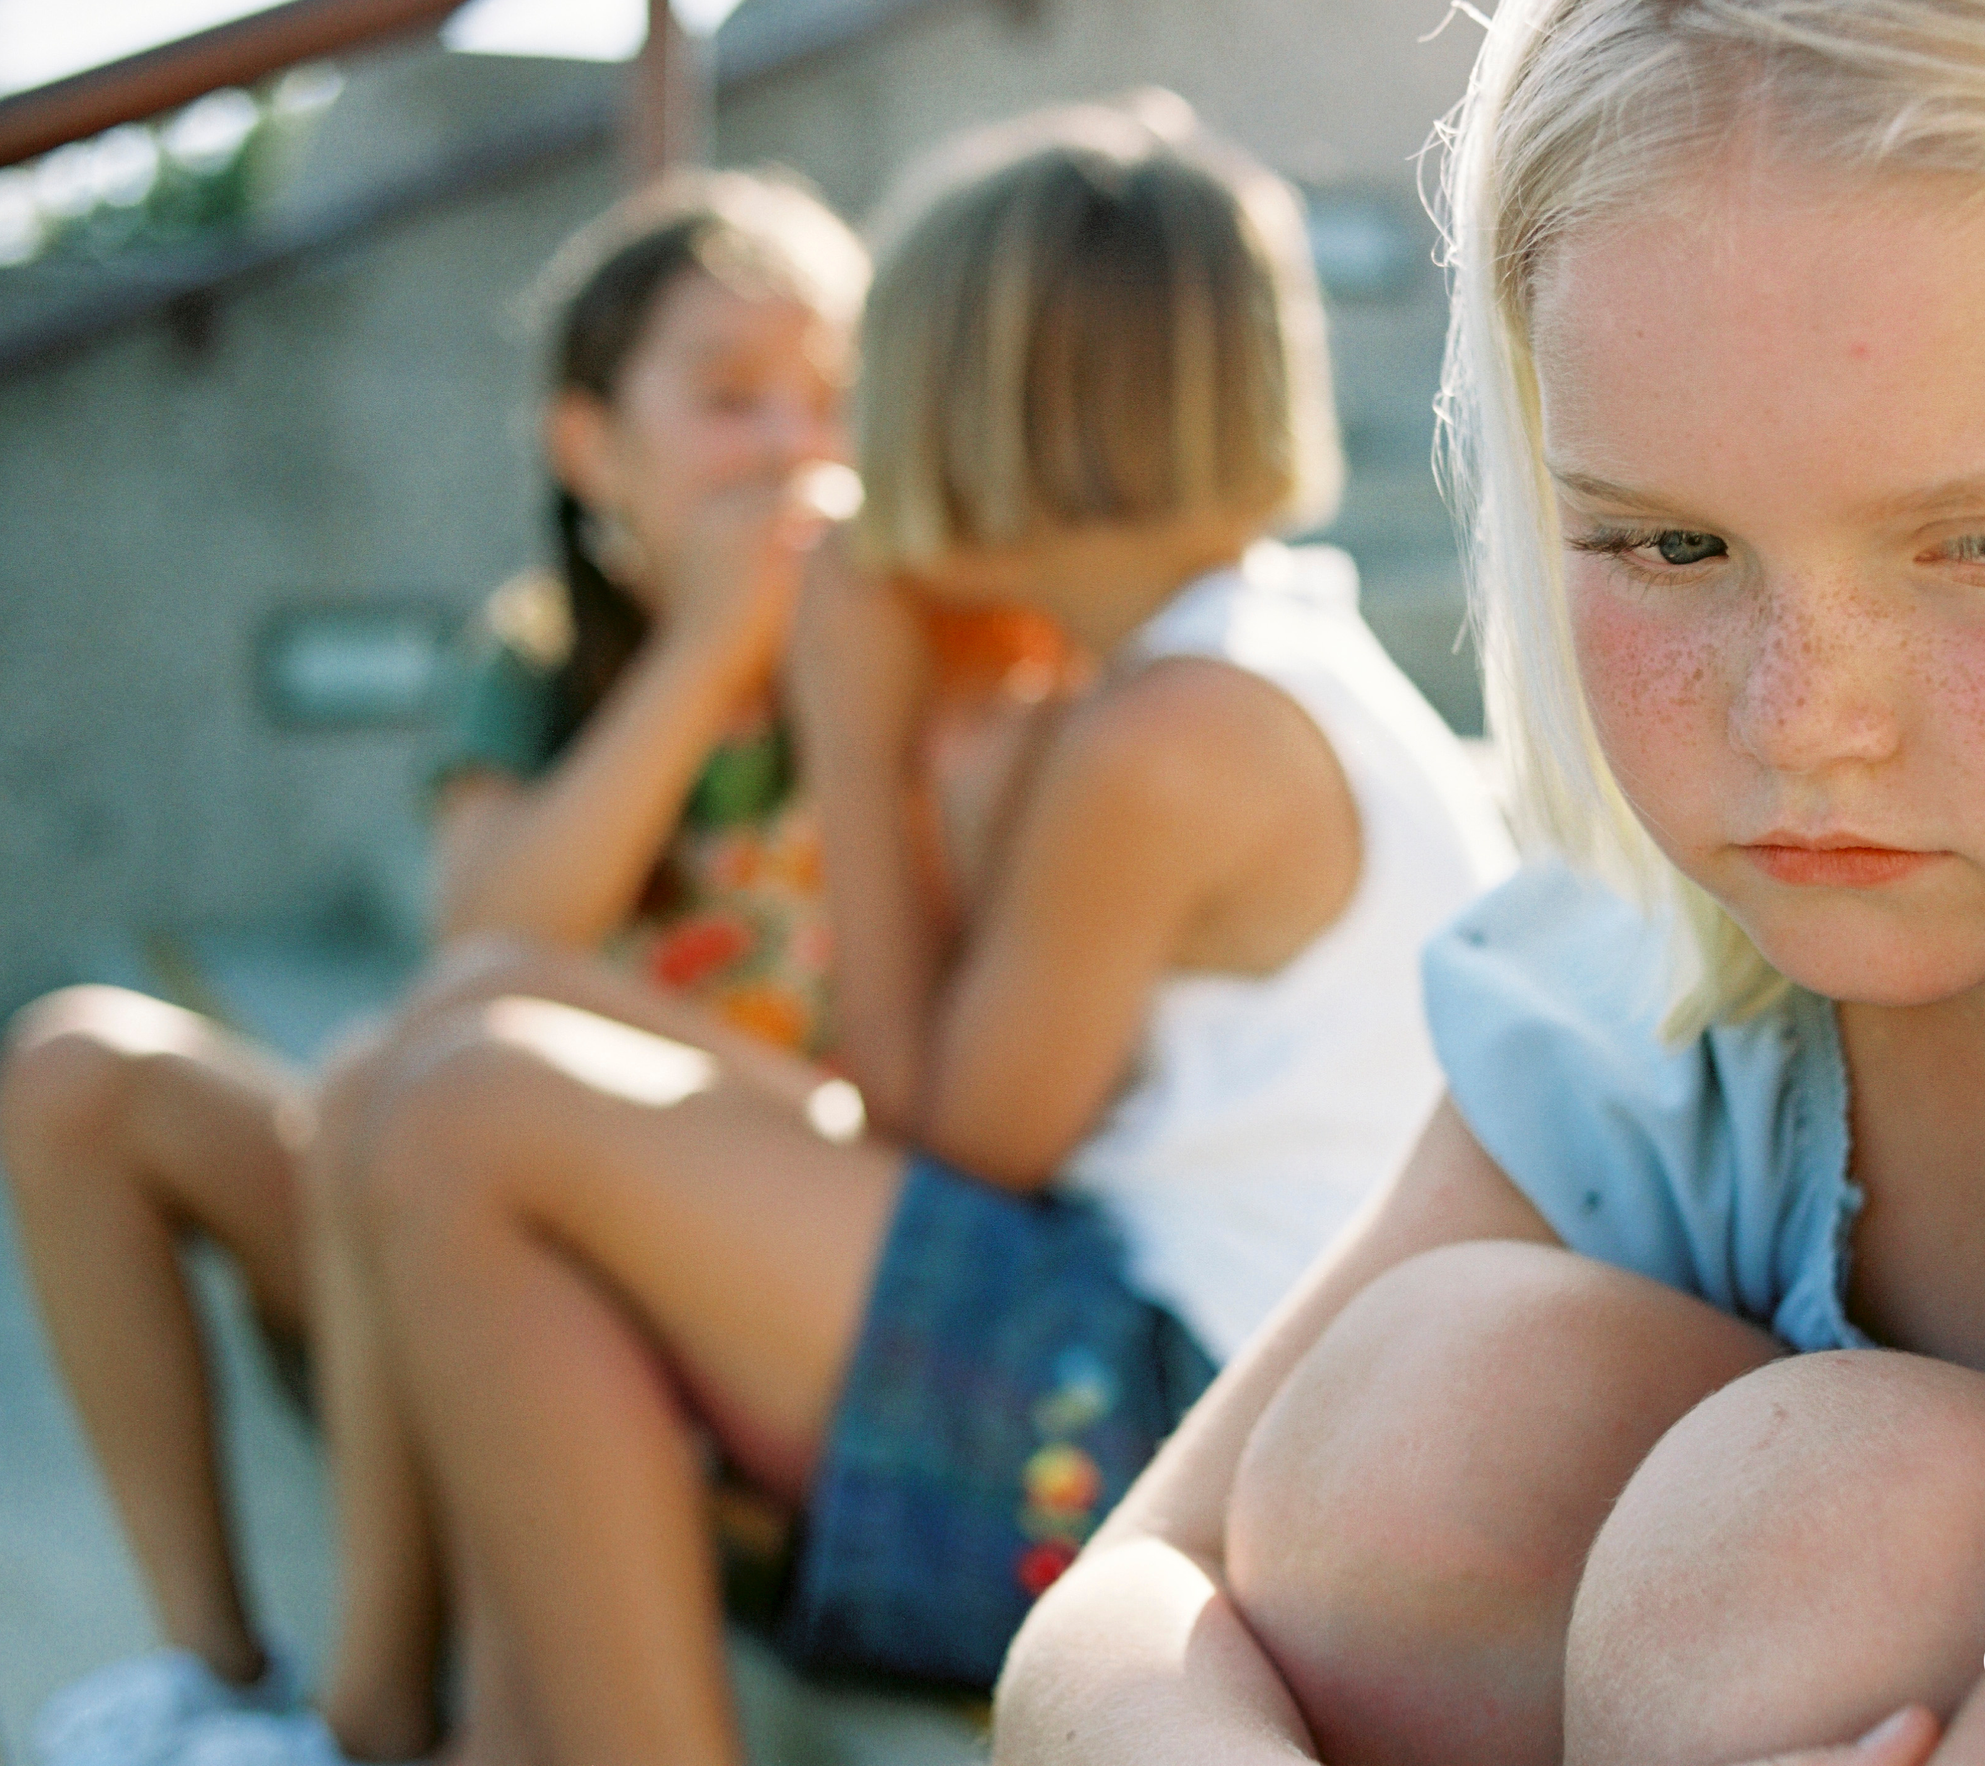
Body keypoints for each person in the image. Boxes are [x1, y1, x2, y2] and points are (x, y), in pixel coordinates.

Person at [992, 0, 1985, 1761]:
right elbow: (1131, 1603)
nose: (1801, 720)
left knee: (1831, 1542)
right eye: (1667, 543)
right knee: (1420, 1433)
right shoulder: (1679, 998)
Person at [174, 92, 1515, 1766]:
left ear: (987, 414)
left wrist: (857, 731)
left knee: (470, 1116)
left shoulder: (1174, 735)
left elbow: (942, 1139)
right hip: (1186, 1374)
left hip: (1198, 1433)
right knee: (476, 1015)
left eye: (876, 387)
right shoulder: (1221, 660)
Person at [5, 169, 1048, 1766]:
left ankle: (372, 1719)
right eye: (731, 398)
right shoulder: (548, 653)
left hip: (728, 1258)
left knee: (426, 1095)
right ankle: (215, 1676)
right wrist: (703, 654)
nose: (792, 444)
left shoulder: (928, 651)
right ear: (590, 448)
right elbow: (492, 935)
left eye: (831, 397)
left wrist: (826, 669)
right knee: (82, 1069)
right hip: (483, 1172)